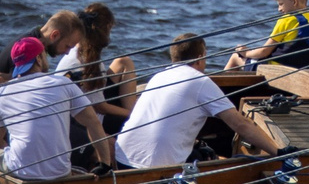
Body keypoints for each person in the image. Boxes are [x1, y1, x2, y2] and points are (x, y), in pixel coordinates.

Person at [119, 34, 285, 169]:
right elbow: (241, 124)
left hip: (121, 158)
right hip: (155, 167)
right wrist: (279, 153)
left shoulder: (158, 77)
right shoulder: (200, 81)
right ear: (200, 58)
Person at [0, 35, 115, 183]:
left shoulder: (1, 92)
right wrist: (104, 164)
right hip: (60, 172)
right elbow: (93, 123)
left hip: (20, 172)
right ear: (38, 58)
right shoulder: (63, 83)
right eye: (44, 54)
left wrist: (22, 155)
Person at [66, 1, 141, 125]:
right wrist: (136, 115)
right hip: (92, 119)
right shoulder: (87, 62)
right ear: (106, 29)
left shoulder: (77, 50)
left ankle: (132, 107)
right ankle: (134, 110)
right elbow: (100, 107)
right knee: (135, 121)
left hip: (93, 105)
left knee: (124, 62)